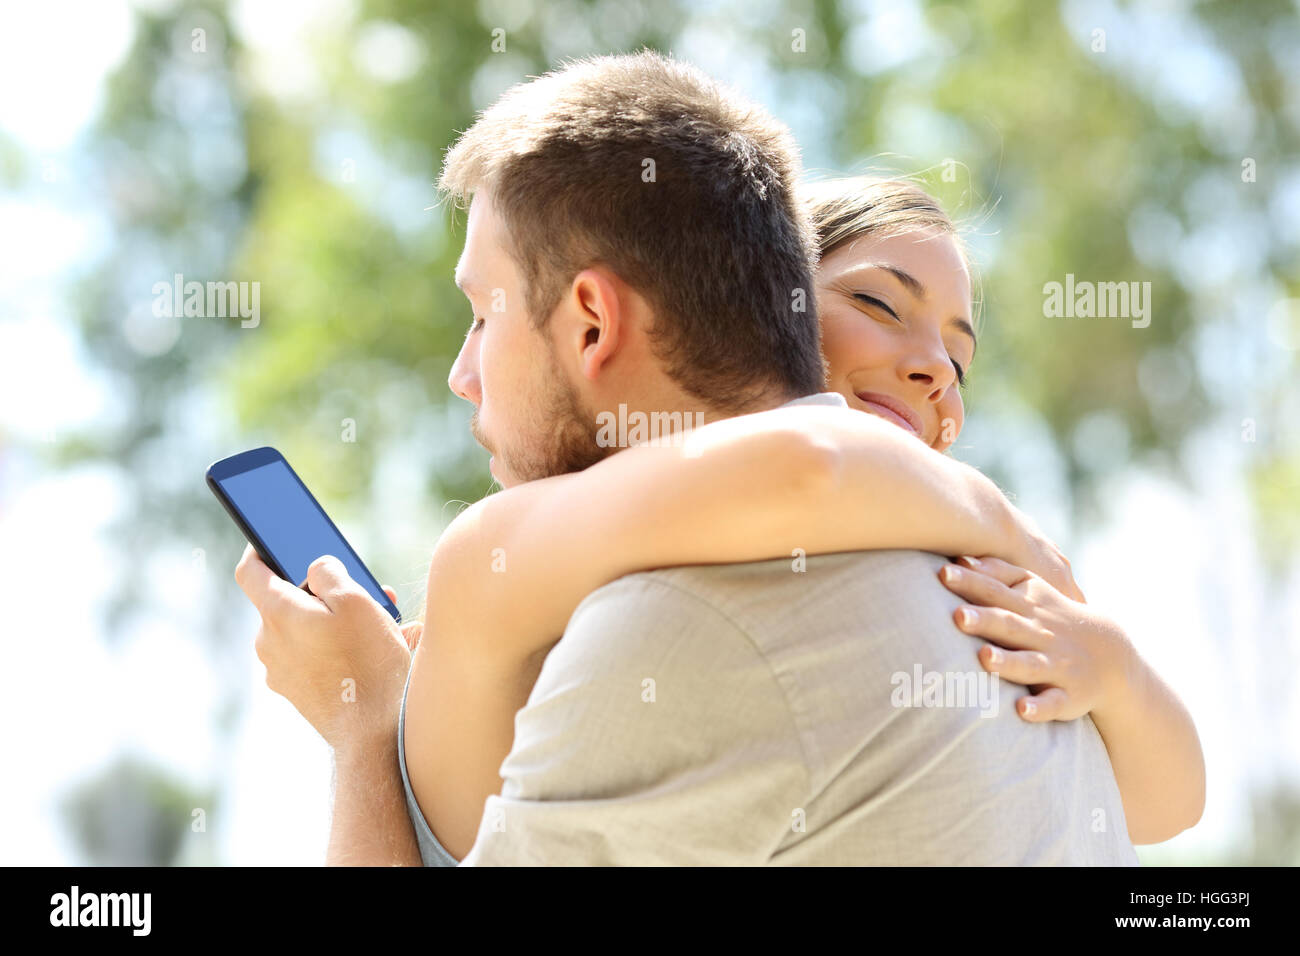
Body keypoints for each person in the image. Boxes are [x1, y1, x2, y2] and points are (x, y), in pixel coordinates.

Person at [235, 51, 1198, 865]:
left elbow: (807, 466)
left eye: (484, 313)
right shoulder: (975, 595)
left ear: (591, 321)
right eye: (874, 304)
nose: (462, 374)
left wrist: (364, 734)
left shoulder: (685, 622)